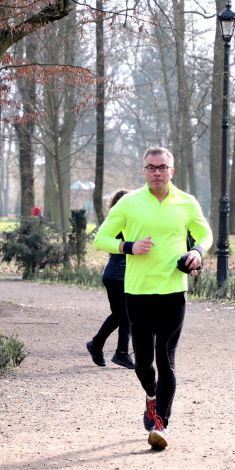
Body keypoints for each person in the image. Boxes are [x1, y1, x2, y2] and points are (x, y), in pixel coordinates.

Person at [93, 147, 212, 451]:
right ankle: (150, 396)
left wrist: (196, 253)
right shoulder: (130, 203)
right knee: (144, 364)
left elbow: (204, 234)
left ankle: (161, 422)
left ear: (172, 171)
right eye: (151, 168)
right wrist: (129, 247)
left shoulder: (186, 202)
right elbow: (101, 238)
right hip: (138, 293)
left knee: (166, 359)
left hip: (174, 292)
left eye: (162, 167)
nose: (157, 173)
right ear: (144, 171)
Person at [86, 189, 135, 370]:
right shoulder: (121, 223)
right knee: (123, 315)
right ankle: (105, 347)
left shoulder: (117, 221)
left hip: (119, 274)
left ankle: (114, 351)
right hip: (118, 275)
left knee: (122, 315)